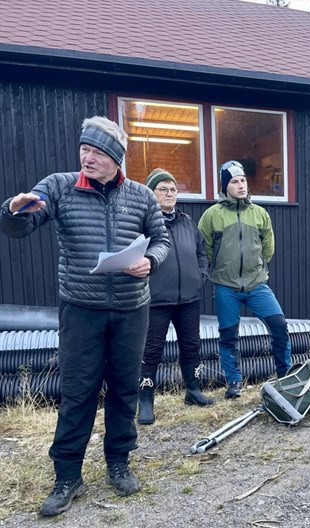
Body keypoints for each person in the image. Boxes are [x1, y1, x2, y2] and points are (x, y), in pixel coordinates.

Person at [0, 116, 170, 516]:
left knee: (125, 387)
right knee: (78, 391)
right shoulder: (59, 185)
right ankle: (67, 475)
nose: (87, 158)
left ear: (116, 159)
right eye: (84, 150)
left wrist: (150, 261)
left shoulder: (143, 197)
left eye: (97, 152)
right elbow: (22, 225)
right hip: (81, 309)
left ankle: (119, 463)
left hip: (131, 310)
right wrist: (12, 212)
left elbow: (161, 239)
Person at [198, 160, 292, 399]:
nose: (240, 186)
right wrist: (219, 270)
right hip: (226, 286)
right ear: (224, 186)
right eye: (234, 181)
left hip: (256, 284)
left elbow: (268, 247)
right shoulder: (211, 216)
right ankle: (234, 382)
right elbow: (205, 249)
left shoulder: (259, 214)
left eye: (243, 181)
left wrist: (257, 266)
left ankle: (285, 375)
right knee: (228, 335)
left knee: (280, 326)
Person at [138, 169, 214, 425]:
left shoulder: (187, 222)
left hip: (189, 299)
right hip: (156, 300)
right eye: (163, 189)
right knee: (150, 351)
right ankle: (146, 400)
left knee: (192, 347)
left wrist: (200, 276)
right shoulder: (143, 222)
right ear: (151, 193)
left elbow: (202, 252)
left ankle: (193, 390)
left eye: (173, 189)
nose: (169, 194)